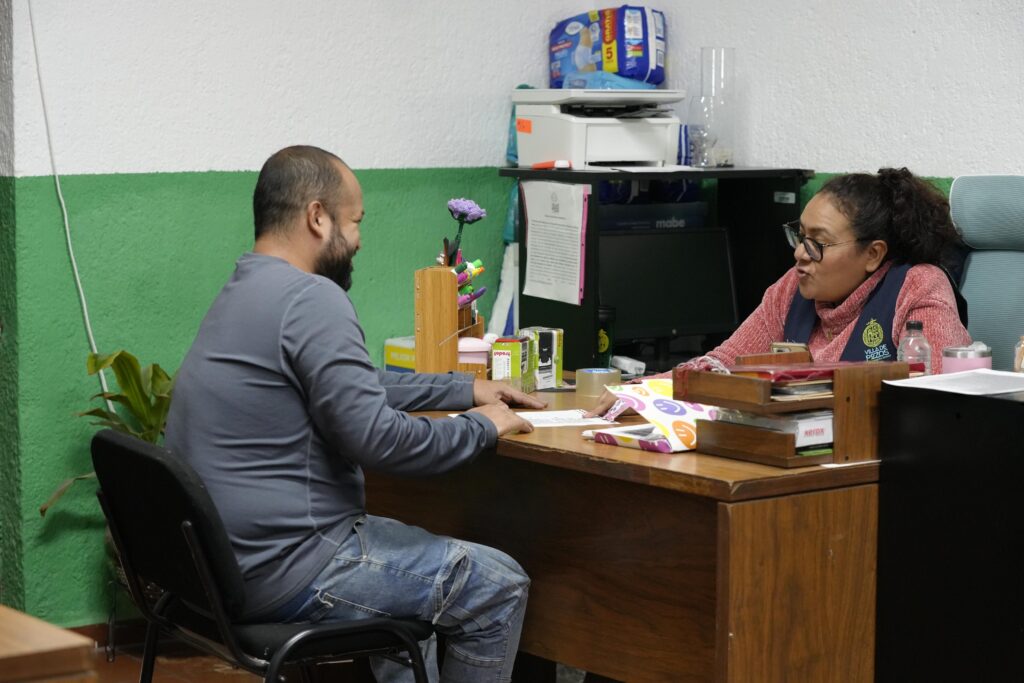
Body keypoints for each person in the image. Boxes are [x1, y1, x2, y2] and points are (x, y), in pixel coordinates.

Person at [165, 145, 546, 683]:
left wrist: (464, 389)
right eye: (355, 221)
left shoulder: (246, 288)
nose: (360, 239)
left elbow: (356, 383)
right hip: (291, 569)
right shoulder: (312, 298)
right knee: (498, 586)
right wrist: (482, 427)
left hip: (220, 568)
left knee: (410, 579)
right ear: (318, 217)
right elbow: (380, 440)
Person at [589, 167, 970, 415]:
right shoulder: (793, 287)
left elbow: (939, 397)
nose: (800, 253)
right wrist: (645, 392)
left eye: (818, 242)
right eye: (800, 236)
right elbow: (724, 363)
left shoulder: (917, 285)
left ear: (873, 254)